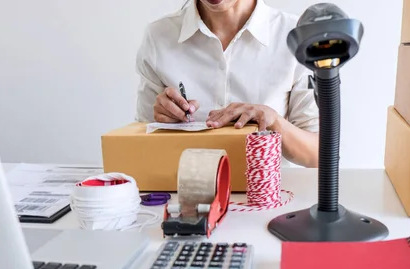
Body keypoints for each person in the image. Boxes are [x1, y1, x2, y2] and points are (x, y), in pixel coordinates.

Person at [134, 0, 319, 167]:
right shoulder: (158, 37)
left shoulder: (297, 36)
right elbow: (138, 143)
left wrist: (274, 122)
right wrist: (161, 121)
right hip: (185, 195)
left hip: (271, 197)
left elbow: (318, 154)